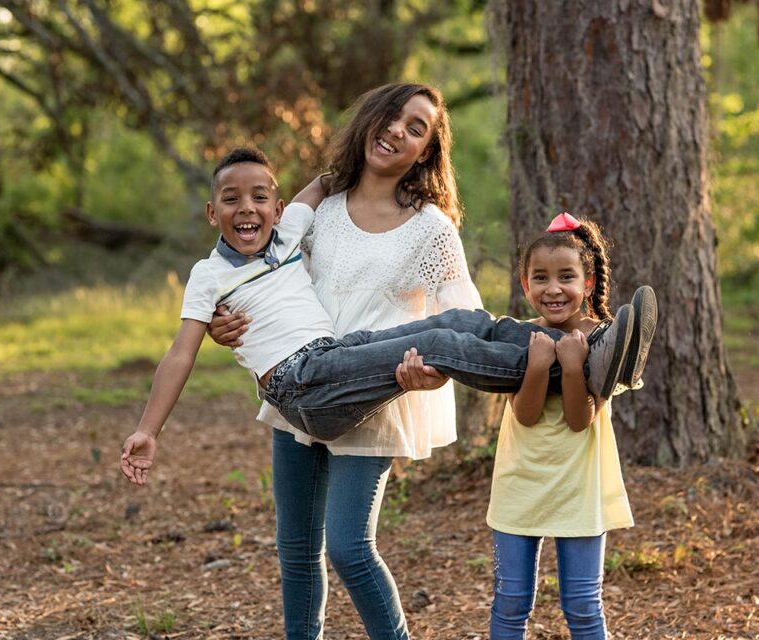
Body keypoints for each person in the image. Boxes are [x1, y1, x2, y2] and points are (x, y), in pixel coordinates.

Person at [200, 83, 645, 640]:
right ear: (369, 119)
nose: (398, 133)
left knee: (348, 546)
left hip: (376, 391)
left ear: (426, 152)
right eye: (394, 117)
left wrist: (429, 375)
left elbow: (463, 318)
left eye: (417, 129)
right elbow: (264, 276)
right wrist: (223, 325)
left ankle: (582, 359)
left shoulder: (430, 226)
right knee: (295, 546)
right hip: (302, 380)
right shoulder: (319, 209)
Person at [484, 213, 654, 640]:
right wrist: (539, 364)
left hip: (580, 486)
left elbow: (581, 420)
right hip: (520, 483)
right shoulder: (519, 337)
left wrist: (574, 368)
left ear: (589, 281)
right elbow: (525, 414)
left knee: (581, 603)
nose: (553, 289)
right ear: (525, 285)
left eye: (566, 276)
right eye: (540, 277)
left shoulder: (607, 339)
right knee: (511, 602)